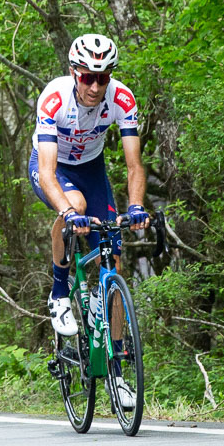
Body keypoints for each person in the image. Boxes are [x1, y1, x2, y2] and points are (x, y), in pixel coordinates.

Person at [29, 33, 149, 339]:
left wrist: (136, 206)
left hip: (92, 169)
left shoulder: (121, 99)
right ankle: (59, 292)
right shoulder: (54, 99)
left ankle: (118, 369)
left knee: (114, 263)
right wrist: (68, 212)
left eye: (103, 78)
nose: (95, 87)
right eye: (87, 78)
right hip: (54, 166)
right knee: (76, 206)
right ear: (73, 73)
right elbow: (47, 171)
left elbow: (134, 165)